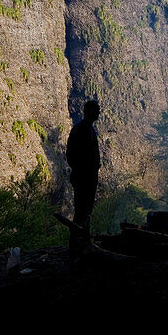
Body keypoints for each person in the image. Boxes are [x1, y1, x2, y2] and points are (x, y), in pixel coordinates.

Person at [66, 99, 101, 254]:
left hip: (88, 177)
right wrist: (84, 169)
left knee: (86, 211)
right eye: (96, 111)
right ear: (89, 112)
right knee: (81, 211)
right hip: (83, 178)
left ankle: (83, 242)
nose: (99, 114)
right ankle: (76, 245)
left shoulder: (89, 129)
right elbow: (71, 156)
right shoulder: (81, 130)